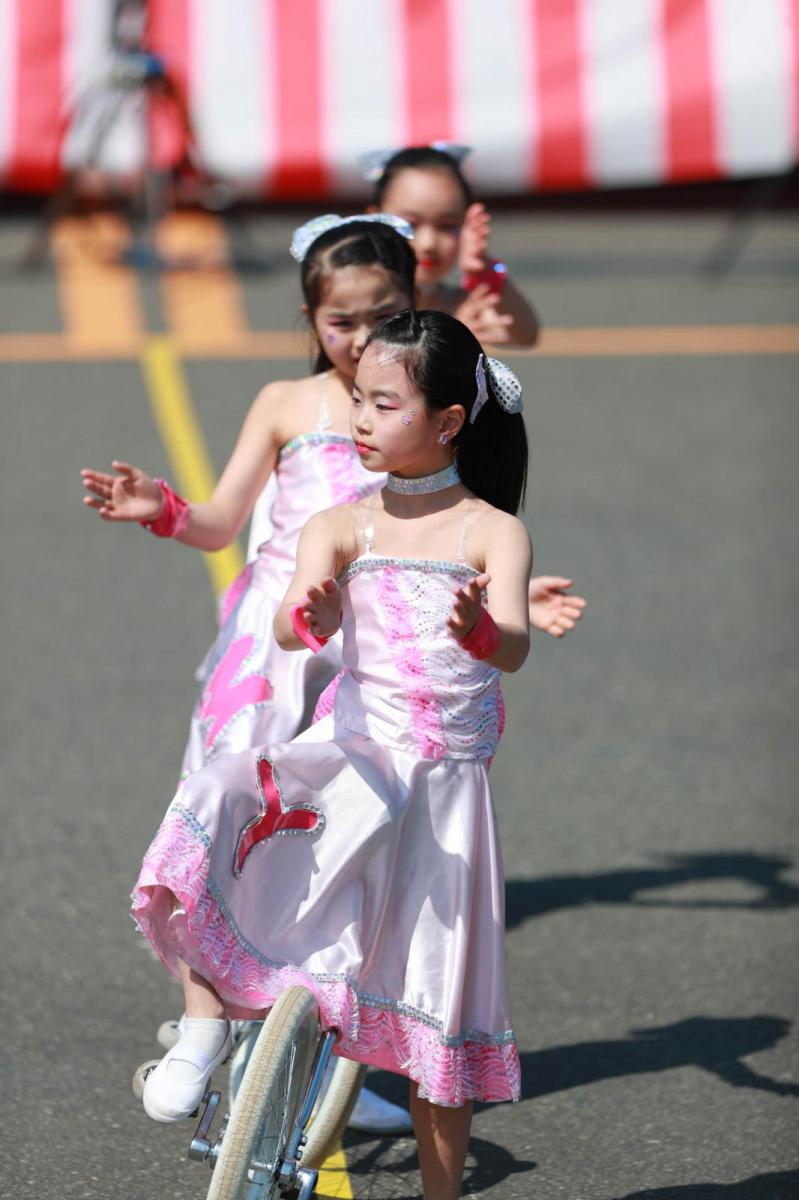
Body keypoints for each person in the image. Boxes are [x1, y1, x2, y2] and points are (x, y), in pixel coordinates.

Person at [130, 309, 533, 1200]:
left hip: (444, 800)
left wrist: (480, 631)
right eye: (357, 398)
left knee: (437, 1026)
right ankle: (205, 1026)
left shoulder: (489, 532)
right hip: (350, 758)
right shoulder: (342, 523)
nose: (360, 418)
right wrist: (307, 617)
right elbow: (288, 621)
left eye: (384, 403)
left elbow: (512, 644)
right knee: (223, 786)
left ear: (448, 421)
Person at [81, 213, 420, 1133]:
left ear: (415, 306)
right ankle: (202, 1029)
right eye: (341, 320)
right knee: (224, 802)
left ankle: (330, 1058)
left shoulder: (426, 410)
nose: (361, 337)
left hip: (375, 644)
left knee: (352, 840)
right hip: (271, 645)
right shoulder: (284, 403)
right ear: (310, 319)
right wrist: (162, 509)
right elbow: (223, 520)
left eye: (383, 315)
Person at [366, 143, 539, 348]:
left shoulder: (461, 307)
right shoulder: (354, 298)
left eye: (447, 226)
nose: (429, 243)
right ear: (375, 219)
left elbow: (525, 334)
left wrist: (485, 271)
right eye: (410, 224)